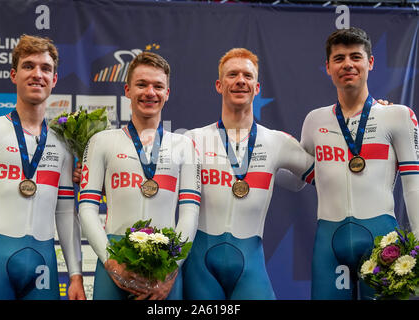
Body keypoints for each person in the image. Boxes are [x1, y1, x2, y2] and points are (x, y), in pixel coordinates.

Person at [182, 48, 315, 300]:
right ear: (219, 85)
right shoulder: (193, 139)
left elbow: (331, 173)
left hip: (250, 265)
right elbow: (152, 179)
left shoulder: (277, 142)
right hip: (199, 267)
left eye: (247, 75)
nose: (240, 80)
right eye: (232, 75)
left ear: (257, 87)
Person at [300, 27, 419, 300]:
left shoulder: (397, 116)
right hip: (329, 244)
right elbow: (297, 179)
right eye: (339, 58)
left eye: (356, 56)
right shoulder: (314, 121)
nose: (348, 64)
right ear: (328, 67)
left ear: (370, 63)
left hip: (382, 241)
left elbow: (414, 186)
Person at [0, 34, 85, 300]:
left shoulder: (64, 141)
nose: (37, 74)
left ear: (54, 79)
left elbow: (67, 212)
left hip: (44, 259)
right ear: (13, 74)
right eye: (28, 66)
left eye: (46, 68)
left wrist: (76, 275)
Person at [78, 51, 201, 300]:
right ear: (127, 90)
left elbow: (190, 212)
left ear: (167, 93)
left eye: (158, 86)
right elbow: (87, 209)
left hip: (165, 268)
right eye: (142, 85)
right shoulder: (101, 142)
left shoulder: (184, 145)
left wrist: (171, 269)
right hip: (112, 262)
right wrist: (110, 263)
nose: (150, 92)